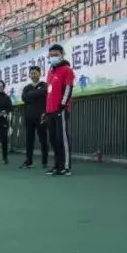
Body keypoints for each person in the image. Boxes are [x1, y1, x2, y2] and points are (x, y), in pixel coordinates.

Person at [45, 43, 75, 177]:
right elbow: (49, 92)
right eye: (51, 55)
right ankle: (57, 165)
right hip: (50, 110)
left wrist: (62, 105)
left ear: (62, 55)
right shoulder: (50, 71)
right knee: (53, 139)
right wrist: (46, 110)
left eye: (56, 55)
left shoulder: (67, 70)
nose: (53, 57)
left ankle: (66, 166)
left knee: (62, 138)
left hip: (60, 109)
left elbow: (68, 88)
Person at [20, 66, 49, 169]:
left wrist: (31, 95)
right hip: (29, 117)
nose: (33, 75)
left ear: (40, 73)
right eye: (31, 73)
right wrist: (37, 94)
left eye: (35, 73)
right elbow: (24, 98)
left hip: (41, 116)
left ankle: (44, 161)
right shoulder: (27, 87)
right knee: (29, 140)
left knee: (43, 139)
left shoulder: (44, 85)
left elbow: (44, 92)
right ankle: (29, 161)